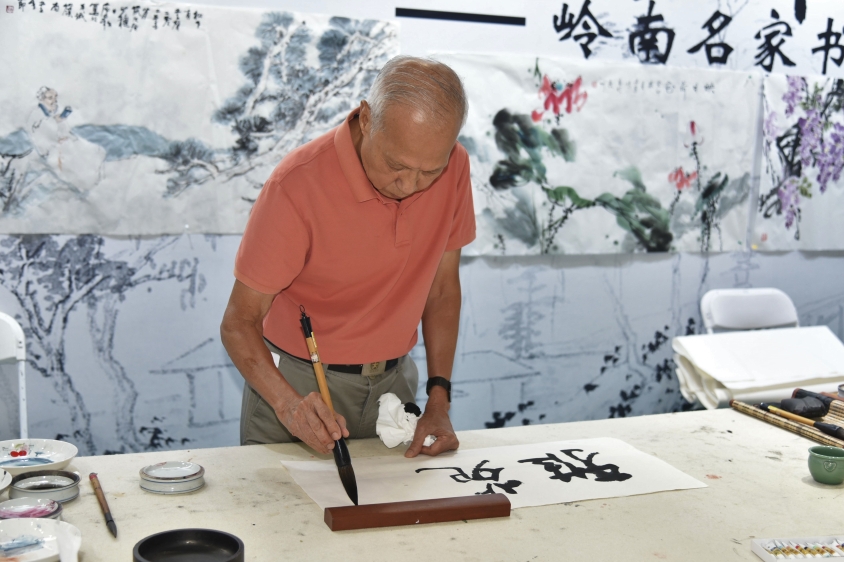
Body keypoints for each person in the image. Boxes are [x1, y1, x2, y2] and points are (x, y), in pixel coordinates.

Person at [220, 56, 475, 458]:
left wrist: (439, 398)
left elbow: (442, 290)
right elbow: (238, 323)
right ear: (367, 119)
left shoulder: (455, 166)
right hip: (301, 386)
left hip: (394, 387)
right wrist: (289, 407)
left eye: (429, 172)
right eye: (396, 165)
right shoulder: (297, 185)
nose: (410, 185)